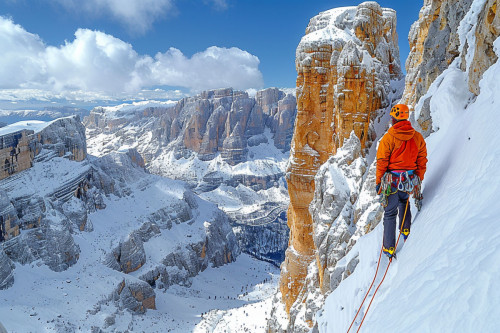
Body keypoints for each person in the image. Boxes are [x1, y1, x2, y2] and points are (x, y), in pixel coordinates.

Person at [376, 104, 427, 258]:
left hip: (391, 181)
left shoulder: (388, 138)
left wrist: (379, 183)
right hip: (409, 180)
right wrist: (418, 178)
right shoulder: (417, 137)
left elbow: (382, 161)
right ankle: (405, 230)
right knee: (404, 203)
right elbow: (422, 160)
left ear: (393, 118)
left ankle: (389, 248)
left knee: (390, 213)